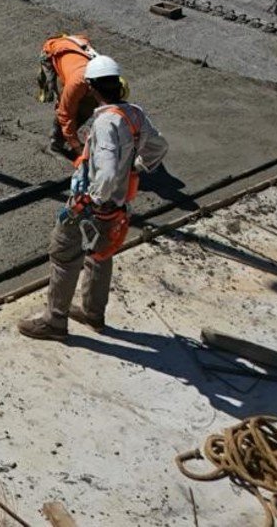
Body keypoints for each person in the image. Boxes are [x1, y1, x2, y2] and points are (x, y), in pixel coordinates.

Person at [18, 55, 168, 341]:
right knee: (100, 255)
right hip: (119, 206)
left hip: (91, 206)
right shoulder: (134, 113)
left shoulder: (105, 124)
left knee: (64, 255)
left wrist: (92, 201)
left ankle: (55, 321)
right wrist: (136, 167)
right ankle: (93, 313)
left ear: (91, 87)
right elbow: (159, 147)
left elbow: (108, 172)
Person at [39, 34, 102, 159]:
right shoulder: (77, 83)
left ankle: (67, 138)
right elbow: (65, 115)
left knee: (87, 106)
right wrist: (77, 146)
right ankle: (55, 145)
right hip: (52, 52)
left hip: (74, 48)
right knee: (63, 105)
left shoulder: (107, 75)